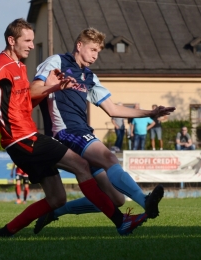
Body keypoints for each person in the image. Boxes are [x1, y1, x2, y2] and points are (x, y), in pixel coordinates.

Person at [0, 18, 148, 237]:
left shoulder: (19, 66)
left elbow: (27, 104)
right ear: (11, 40)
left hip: (25, 138)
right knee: (81, 165)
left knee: (57, 198)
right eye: (27, 41)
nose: (32, 46)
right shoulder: (0, 65)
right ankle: (122, 222)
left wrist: (54, 86)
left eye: (33, 40)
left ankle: (2, 233)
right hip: (22, 138)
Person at [30, 27, 175, 234]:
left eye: (98, 51)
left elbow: (113, 109)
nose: (95, 56)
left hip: (82, 132)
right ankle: (145, 201)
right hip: (64, 132)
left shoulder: (89, 76)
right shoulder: (57, 62)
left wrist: (150, 113)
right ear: (79, 46)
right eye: (92, 50)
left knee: (116, 198)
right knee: (109, 158)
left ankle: (56, 211)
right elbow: (35, 87)